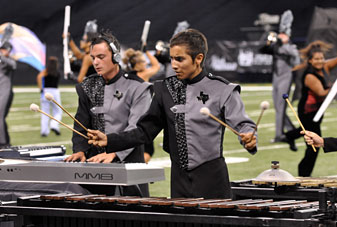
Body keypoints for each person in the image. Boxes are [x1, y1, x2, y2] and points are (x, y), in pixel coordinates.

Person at [88, 29, 257, 199]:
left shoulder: (222, 89)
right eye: (172, 59)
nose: (174, 64)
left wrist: (249, 136)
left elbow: (243, 123)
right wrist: (109, 140)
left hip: (212, 179)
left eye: (180, 59)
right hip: (179, 180)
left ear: (198, 58)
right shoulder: (165, 90)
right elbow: (144, 132)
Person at [64, 30, 152, 197]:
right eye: (93, 57)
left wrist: (114, 152)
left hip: (128, 164)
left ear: (116, 57)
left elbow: (136, 129)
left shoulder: (137, 87)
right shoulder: (88, 86)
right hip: (94, 168)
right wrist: (80, 150)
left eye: (101, 57)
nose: (96, 62)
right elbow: (81, 123)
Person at [285, 40, 337, 177]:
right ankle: (304, 174)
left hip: (317, 111)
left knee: (306, 132)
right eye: (316, 59)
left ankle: (289, 136)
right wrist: (333, 88)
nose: (320, 61)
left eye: (322, 58)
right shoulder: (310, 75)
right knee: (313, 146)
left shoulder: (323, 68)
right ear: (310, 61)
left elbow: (332, 63)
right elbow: (321, 92)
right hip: (308, 111)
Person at [260, 10, 300, 150]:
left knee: (281, 106)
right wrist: (269, 40)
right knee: (278, 107)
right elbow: (263, 50)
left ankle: (279, 135)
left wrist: (284, 44)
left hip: (286, 77)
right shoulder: (276, 46)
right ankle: (293, 130)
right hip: (276, 77)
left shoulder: (290, 46)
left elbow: (296, 58)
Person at [122, 46, 160, 163]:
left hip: (129, 115)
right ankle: (140, 170)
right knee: (148, 150)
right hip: (142, 117)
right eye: (143, 61)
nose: (146, 63)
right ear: (137, 64)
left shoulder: (126, 76)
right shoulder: (143, 75)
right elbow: (156, 65)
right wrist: (147, 50)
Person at [36, 56, 62, 137]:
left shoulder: (46, 71)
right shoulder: (57, 72)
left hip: (46, 91)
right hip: (55, 92)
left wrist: (41, 88)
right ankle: (54, 125)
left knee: (44, 112)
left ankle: (44, 131)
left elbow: (39, 77)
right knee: (58, 111)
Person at [0, 42, 16, 148]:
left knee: (0, 116)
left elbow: (13, 65)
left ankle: (4, 143)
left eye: (4, 49)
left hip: (6, 91)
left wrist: (2, 56)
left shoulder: (9, 60)